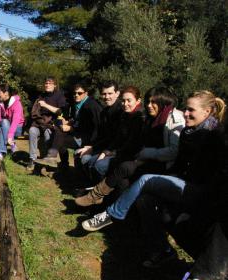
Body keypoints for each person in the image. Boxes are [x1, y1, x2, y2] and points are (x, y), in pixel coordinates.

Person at [80, 90, 225, 236]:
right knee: (141, 196)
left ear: (207, 112)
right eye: (186, 108)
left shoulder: (213, 136)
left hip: (198, 189)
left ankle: (109, 213)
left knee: (144, 179)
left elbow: (205, 172)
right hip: (181, 178)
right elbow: (181, 161)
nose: (185, 113)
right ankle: (158, 250)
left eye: (191, 110)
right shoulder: (189, 131)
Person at [76, 87, 185, 207]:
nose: (149, 105)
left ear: (163, 102)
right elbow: (120, 139)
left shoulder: (173, 119)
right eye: (148, 101)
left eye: (153, 102)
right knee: (121, 179)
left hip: (161, 164)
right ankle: (104, 205)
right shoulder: (150, 118)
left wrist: (144, 153)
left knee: (122, 166)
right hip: (143, 158)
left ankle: (96, 196)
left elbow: (173, 151)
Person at [36, 82, 102, 169]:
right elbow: (78, 120)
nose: (76, 95)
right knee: (59, 133)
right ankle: (59, 163)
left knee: (59, 139)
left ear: (86, 93)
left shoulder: (91, 106)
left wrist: (72, 128)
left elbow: (97, 126)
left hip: (89, 139)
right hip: (79, 134)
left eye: (79, 93)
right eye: (74, 93)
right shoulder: (77, 104)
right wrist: (69, 122)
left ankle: (58, 161)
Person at [75, 80, 122, 178]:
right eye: (104, 94)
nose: (107, 97)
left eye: (110, 93)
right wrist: (91, 146)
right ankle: (83, 181)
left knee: (89, 159)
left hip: (115, 150)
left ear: (117, 94)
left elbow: (116, 138)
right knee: (79, 153)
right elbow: (102, 134)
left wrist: (102, 151)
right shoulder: (105, 112)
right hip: (104, 146)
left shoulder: (121, 111)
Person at [27, 77, 66, 170]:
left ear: (55, 85)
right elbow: (35, 112)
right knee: (32, 131)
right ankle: (32, 159)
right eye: (46, 83)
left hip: (52, 124)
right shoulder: (41, 96)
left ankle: (46, 161)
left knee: (48, 134)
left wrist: (45, 105)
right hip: (39, 123)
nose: (47, 85)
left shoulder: (59, 96)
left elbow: (60, 111)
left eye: (50, 83)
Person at [0, 83, 25, 160]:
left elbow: (15, 122)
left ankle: (2, 152)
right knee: (2, 125)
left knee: (3, 126)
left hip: (17, 128)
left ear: (6, 93)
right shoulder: (0, 102)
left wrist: (10, 136)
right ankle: (9, 147)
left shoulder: (17, 103)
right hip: (6, 126)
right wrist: (0, 122)